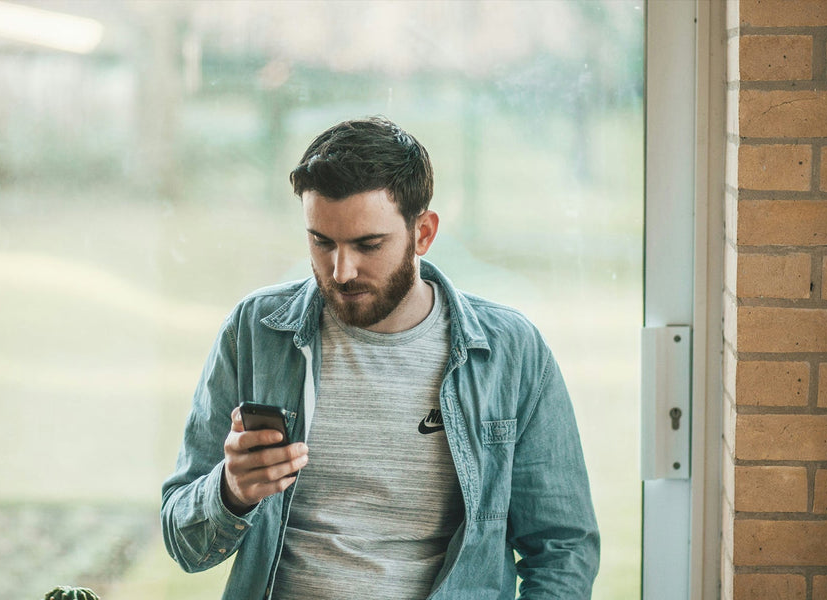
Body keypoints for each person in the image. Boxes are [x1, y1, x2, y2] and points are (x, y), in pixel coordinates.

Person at [161, 116, 599, 599]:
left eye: (368, 245)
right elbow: (183, 541)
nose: (341, 270)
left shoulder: (511, 352)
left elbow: (562, 548)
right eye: (321, 241)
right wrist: (231, 491)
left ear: (424, 233)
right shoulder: (255, 331)